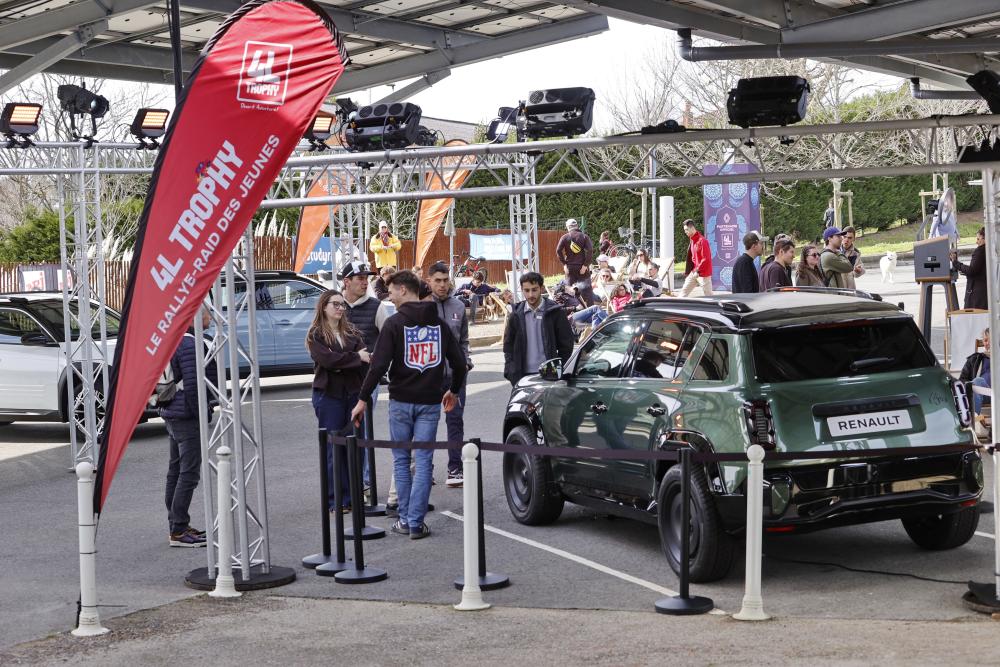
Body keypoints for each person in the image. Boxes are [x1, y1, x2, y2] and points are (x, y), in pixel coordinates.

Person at [350, 270, 468, 540]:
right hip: (430, 402)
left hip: (401, 401)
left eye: (391, 291)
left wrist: (362, 399)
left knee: (401, 461)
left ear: (403, 290)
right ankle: (416, 522)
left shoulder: (394, 324)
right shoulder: (439, 325)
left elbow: (378, 366)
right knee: (424, 462)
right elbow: (460, 363)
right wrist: (453, 390)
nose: (389, 296)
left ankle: (405, 519)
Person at [307, 290, 370, 513]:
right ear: (323, 307)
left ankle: (353, 496)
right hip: (328, 395)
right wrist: (354, 358)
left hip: (353, 394)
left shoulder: (352, 332)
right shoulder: (316, 334)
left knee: (355, 446)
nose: (340, 308)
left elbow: (365, 361)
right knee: (334, 448)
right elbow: (328, 360)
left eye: (343, 305)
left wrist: (344, 362)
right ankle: (336, 500)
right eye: (335, 304)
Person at [161, 307, 216, 548]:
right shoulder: (190, 344)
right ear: (196, 318)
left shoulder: (174, 338)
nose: (211, 318)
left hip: (172, 411)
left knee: (175, 471)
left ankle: (176, 524)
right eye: (208, 314)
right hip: (186, 415)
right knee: (188, 473)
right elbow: (194, 385)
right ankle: (179, 529)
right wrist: (202, 412)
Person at [427, 262, 472, 488]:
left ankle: (455, 468)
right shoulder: (423, 306)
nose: (442, 285)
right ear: (429, 282)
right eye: (438, 280)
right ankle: (425, 469)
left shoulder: (458, 306)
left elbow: (463, 341)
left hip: (455, 376)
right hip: (429, 378)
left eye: (445, 280)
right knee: (427, 423)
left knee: (455, 422)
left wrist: (465, 362)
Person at [503, 271, 575, 386]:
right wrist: (511, 371)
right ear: (522, 290)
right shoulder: (516, 314)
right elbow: (508, 346)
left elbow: (566, 344)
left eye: (534, 290)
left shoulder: (555, 312)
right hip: (522, 376)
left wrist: (558, 368)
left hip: (549, 375)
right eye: (527, 290)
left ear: (541, 289)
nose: (530, 294)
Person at [959, 327, 991, 438]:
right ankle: (974, 421)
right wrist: (972, 384)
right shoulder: (975, 359)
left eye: (991, 340)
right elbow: (962, 381)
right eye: (985, 340)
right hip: (983, 394)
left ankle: (973, 423)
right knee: (978, 381)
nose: (987, 343)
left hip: (997, 393)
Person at [953, 227, 987, 310]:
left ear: (985, 239)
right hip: (984, 292)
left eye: (978, 239)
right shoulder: (990, 250)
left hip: (976, 294)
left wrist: (956, 263)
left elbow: (972, 270)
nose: (976, 242)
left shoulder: (980, 251)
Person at [556, 218, 593, 289]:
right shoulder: (584, 236)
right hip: (582, 268)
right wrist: (585, 265)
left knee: (570, 291)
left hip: (570, 268)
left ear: (568, 227)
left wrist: (564, 264)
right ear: (577, 226)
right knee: (585, 290)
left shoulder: (564, 237)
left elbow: (558, 250)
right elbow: (590, 250)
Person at [680, 219, 713, 297]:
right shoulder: (692, 240)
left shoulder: (703, 241)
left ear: (692, 228)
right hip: (694, 272)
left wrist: (697, 270)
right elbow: (693, 258)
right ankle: (678, 304)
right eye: (685, 230)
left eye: (686, 229)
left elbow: (706, 259)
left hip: (703, 274)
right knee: (683, 292)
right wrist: (690, 270)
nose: (685, 232)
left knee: (709, 296)